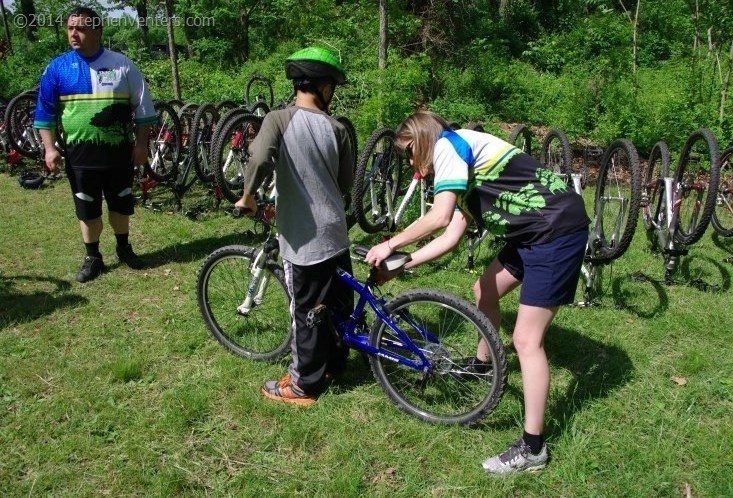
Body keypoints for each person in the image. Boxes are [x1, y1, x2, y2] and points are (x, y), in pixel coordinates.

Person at [365, 111, 589, 475]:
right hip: (534, 230)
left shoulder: (448, 147)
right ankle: (483, 367)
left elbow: (437, 218)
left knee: (526, 340)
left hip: (555, 231)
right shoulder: (461, 164)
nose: (409, 164)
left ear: (423, 140)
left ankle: (533, 449)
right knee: (483, 287)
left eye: (409, 152)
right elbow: (450, 238)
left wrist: (391, 244)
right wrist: (400, 267)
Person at [234, 47, 355, 407]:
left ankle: (303, 385)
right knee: (335, 305)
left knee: (304, 311)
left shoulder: (279, 119)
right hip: (336, 233)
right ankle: (333, 365)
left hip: (304, 240)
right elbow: (345, 183)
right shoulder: (339, 128)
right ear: (323, 87)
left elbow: (257, 158)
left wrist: (247, 196)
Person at [34, 6, 157, 283]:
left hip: (118, 155)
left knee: (120, 204)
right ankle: (93, 256)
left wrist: (141, 145)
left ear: (98, 31)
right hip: (80, 157)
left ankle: (124, 248)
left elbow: (143, 109)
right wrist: (50, 148)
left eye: (81, 28)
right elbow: (44, 113)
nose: (73, 34)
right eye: (70, 28)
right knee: (87, 206)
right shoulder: (57, 68)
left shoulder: (122, 65)